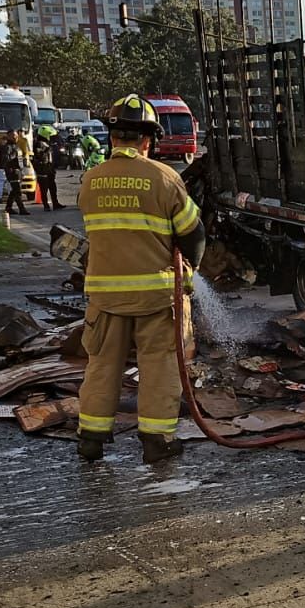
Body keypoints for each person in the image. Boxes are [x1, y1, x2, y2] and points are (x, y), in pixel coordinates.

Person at [75, 94, 206, 466]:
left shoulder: (90, 181)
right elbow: (193, 233)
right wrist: (190, 273)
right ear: (149, 139)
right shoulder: (165, 178)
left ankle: (91, 438)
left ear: (112, 137)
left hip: (104, 298)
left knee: (102, 365)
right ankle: (157, 441)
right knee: (160, 365)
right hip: (157, 298)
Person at [0, 130, 29, 216]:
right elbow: (6, 159)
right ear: (9, 137)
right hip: (12, 171)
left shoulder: (15, 146)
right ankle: (22, 209)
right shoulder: (7, 147)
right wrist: (13, 157)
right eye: (13, 136)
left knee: (14, 191)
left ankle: (8, 207)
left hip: (17, 170)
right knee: (17, 191)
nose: (15, 137)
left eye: (16, 135)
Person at [33, 130, 64, 211]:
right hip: (42, 170)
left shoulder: (48, 143)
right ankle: (46, 205)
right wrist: (46, 150)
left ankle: (55, 203)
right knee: (44, 189)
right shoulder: (39, 143)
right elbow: (39, 155)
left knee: (53, 187)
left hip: (49, 168)